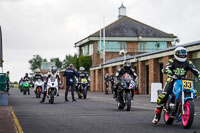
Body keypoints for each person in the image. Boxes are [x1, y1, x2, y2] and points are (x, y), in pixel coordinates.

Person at [152, 46, 200, 124]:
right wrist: (168, 71)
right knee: (163, 96)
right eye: (180, 54)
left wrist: (199, 75)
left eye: (184, 54)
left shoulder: (188, 62)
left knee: (194, 92)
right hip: (172, 80)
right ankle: (157, 115)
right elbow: (167, 67)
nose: (182, 56)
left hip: (183, 81)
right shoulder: (172, 61)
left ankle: (187, 108)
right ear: (176, 54)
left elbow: (195, 70)